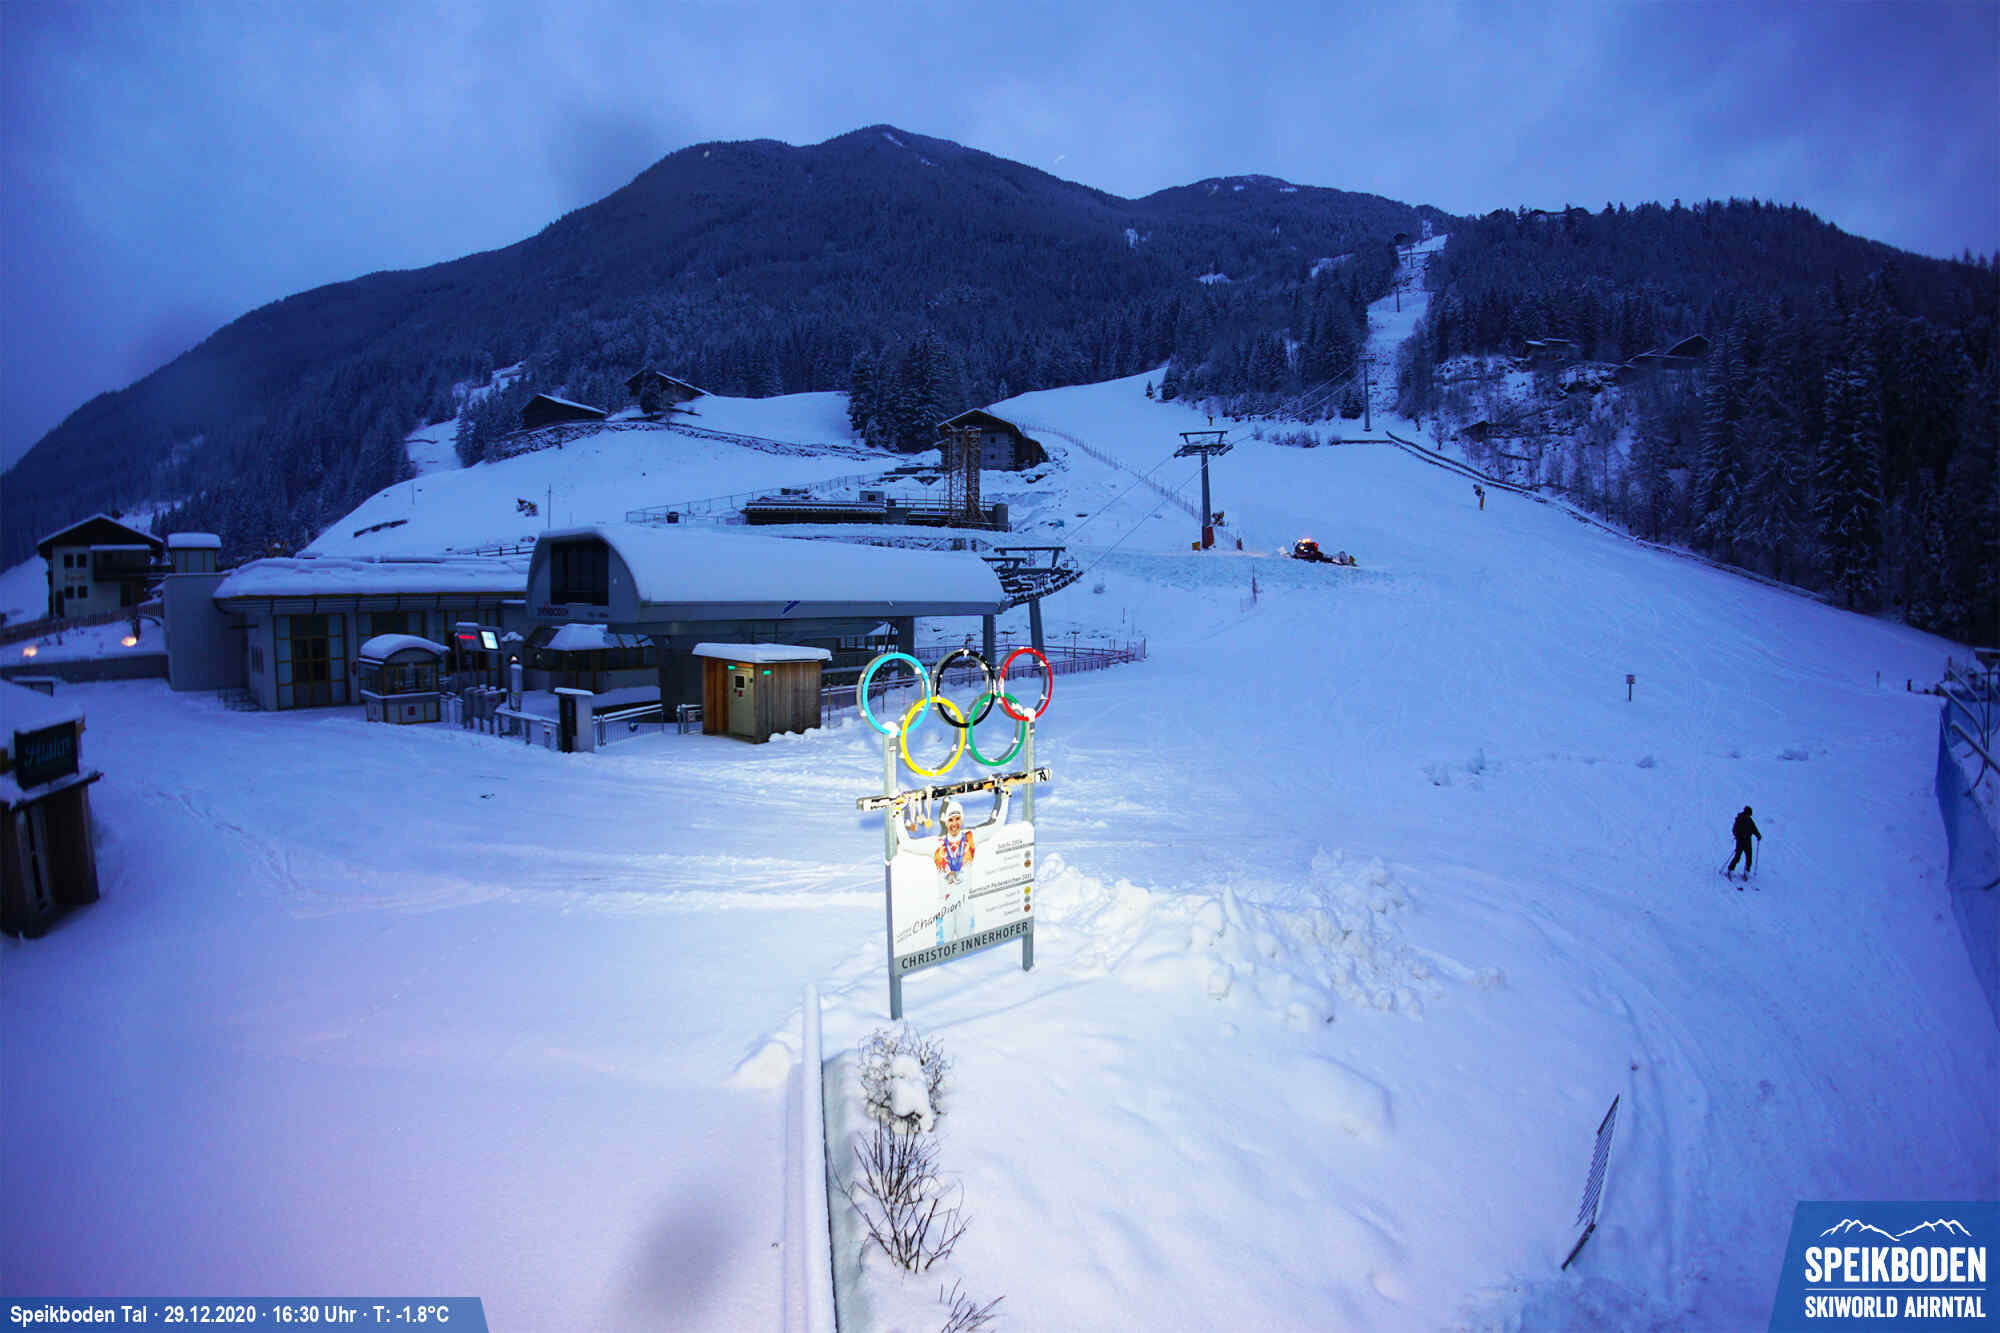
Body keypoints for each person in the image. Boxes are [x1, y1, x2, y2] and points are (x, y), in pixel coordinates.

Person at [934, 799, 976, 941]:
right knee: (944, 949)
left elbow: (996, 826)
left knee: (967, 947)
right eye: (950, 819)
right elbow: (906, 843)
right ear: (945, 822)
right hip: (945, 907)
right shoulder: (937, 844)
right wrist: (897, 815)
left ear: (962, 820)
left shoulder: (970, 838)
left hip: (965, 905)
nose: (954, 823)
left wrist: (1005, 798)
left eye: (957, 819)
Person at [1726, 805, 1761, 883]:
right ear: (1746, 813)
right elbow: (1734, 830)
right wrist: (1739, 836)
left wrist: (1758, 835)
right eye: (1749, 814)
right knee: (1737, 856)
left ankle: (1746, 871)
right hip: (1740, 841)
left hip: (1748, 841)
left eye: (1750, 815)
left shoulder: (1750, 820)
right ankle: (1730, 869)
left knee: (1749, 857)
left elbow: (1754, 829)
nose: (1749, 816)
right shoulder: (1740, 819)